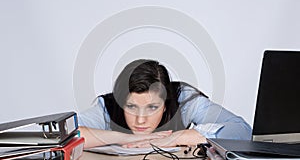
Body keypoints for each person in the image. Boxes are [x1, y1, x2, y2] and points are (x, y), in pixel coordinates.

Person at [78, 59, 251, 148]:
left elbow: (242, 130)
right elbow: (66, 136)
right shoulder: (108, 106)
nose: (140, 120)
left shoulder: (184, 100)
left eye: (152, 108)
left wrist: (177, 138)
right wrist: (125, 138)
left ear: (166, 104)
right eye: (131, 107)